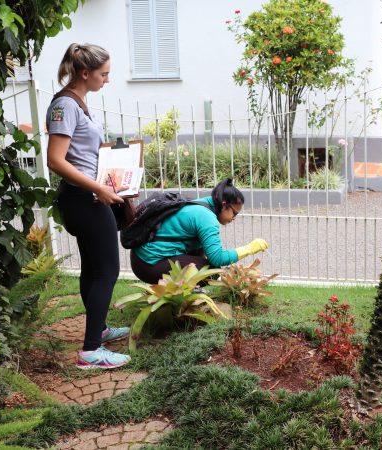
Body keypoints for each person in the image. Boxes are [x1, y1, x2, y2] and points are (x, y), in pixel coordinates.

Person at [47, 43, 131, 370]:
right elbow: (55, 160)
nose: (107, 80)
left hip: (89, 195)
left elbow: (82, 152)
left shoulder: (78, 102)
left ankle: (99, 329)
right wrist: (99, 188)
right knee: (107, 271)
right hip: (86, 198)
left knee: (93, 268)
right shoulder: (66, 105)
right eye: (104, 74)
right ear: (85, 73)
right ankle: (90, 352)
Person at [130, 178, 268, 284]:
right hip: (148, 264)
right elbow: (217, 258)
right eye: (234, 213)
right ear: (224, 204)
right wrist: (250, 248)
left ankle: (187, 293)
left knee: (203, 259)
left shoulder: (202, 204)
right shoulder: (207, 218)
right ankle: (179, 302)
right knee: (212, 271)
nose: (234, 218)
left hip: (140, 258)